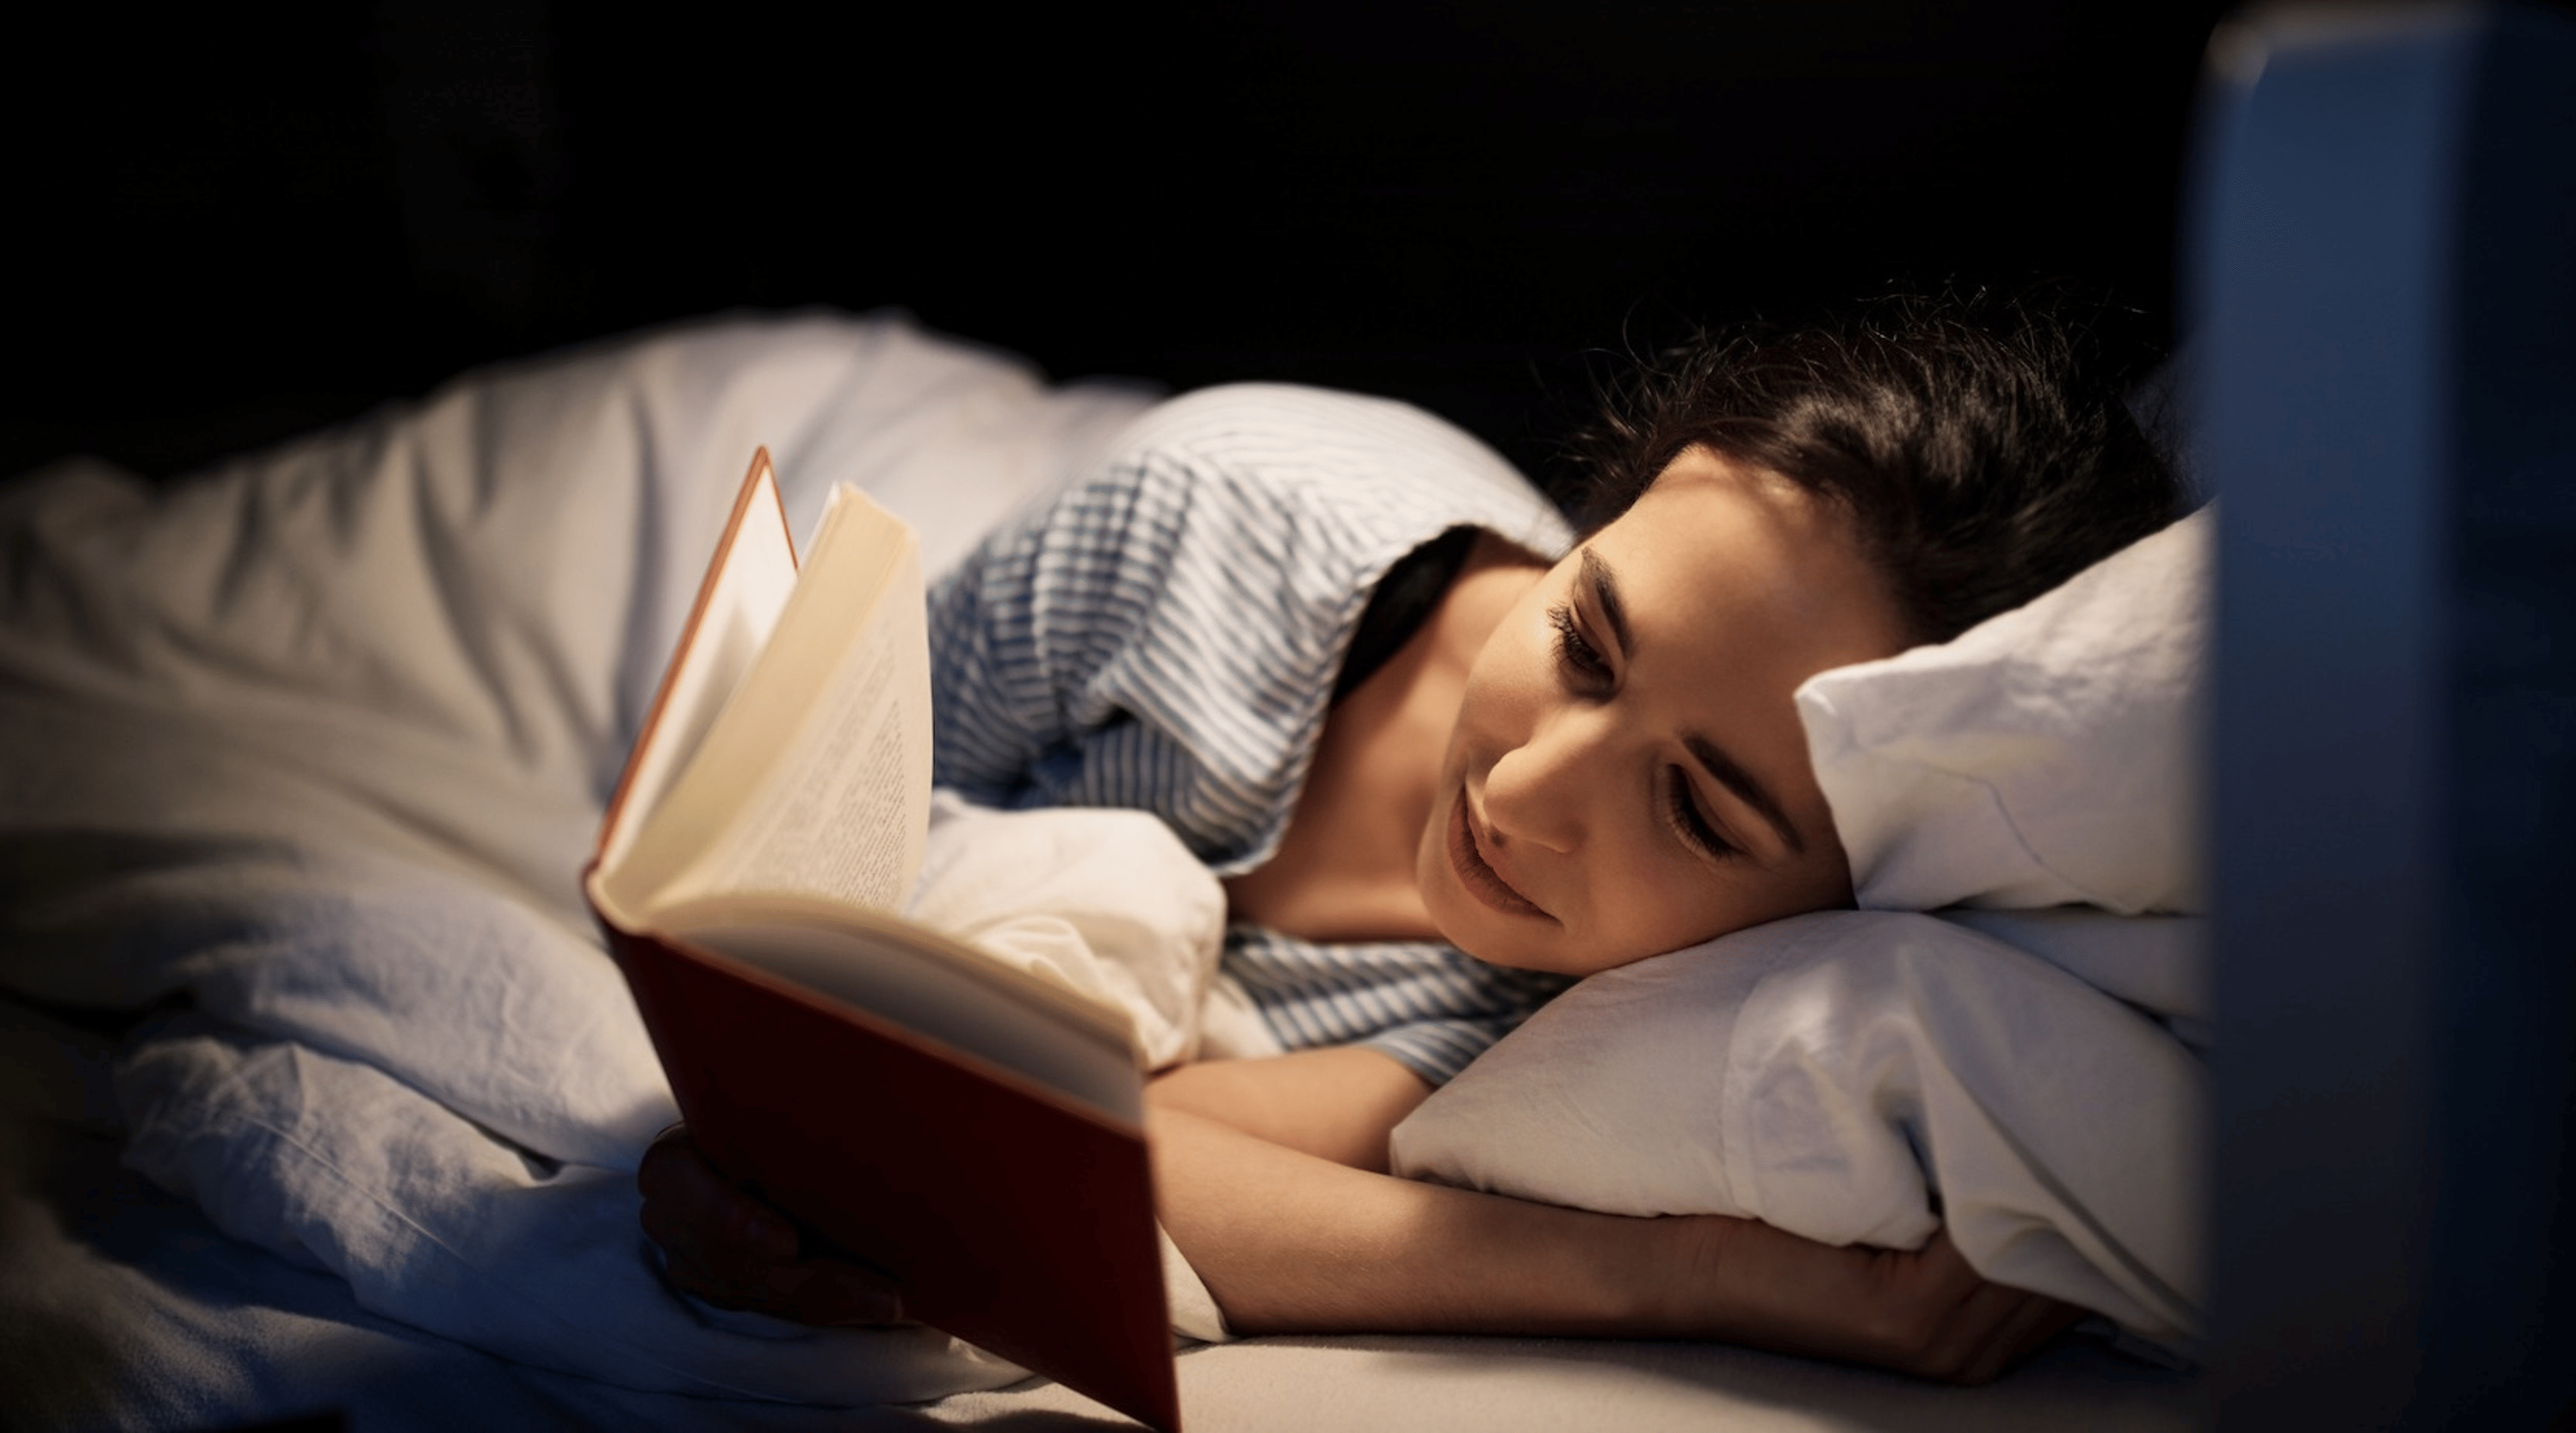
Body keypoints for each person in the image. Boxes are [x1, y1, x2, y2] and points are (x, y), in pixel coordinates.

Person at [639, 300, 2180, 1383]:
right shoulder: (1220, 515)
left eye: (1698, 807)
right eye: (1585, 637)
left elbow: (1100, 1164)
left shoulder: (1602, 1018)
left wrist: (1720, 1274)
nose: (1522, 798)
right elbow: (793, 791)